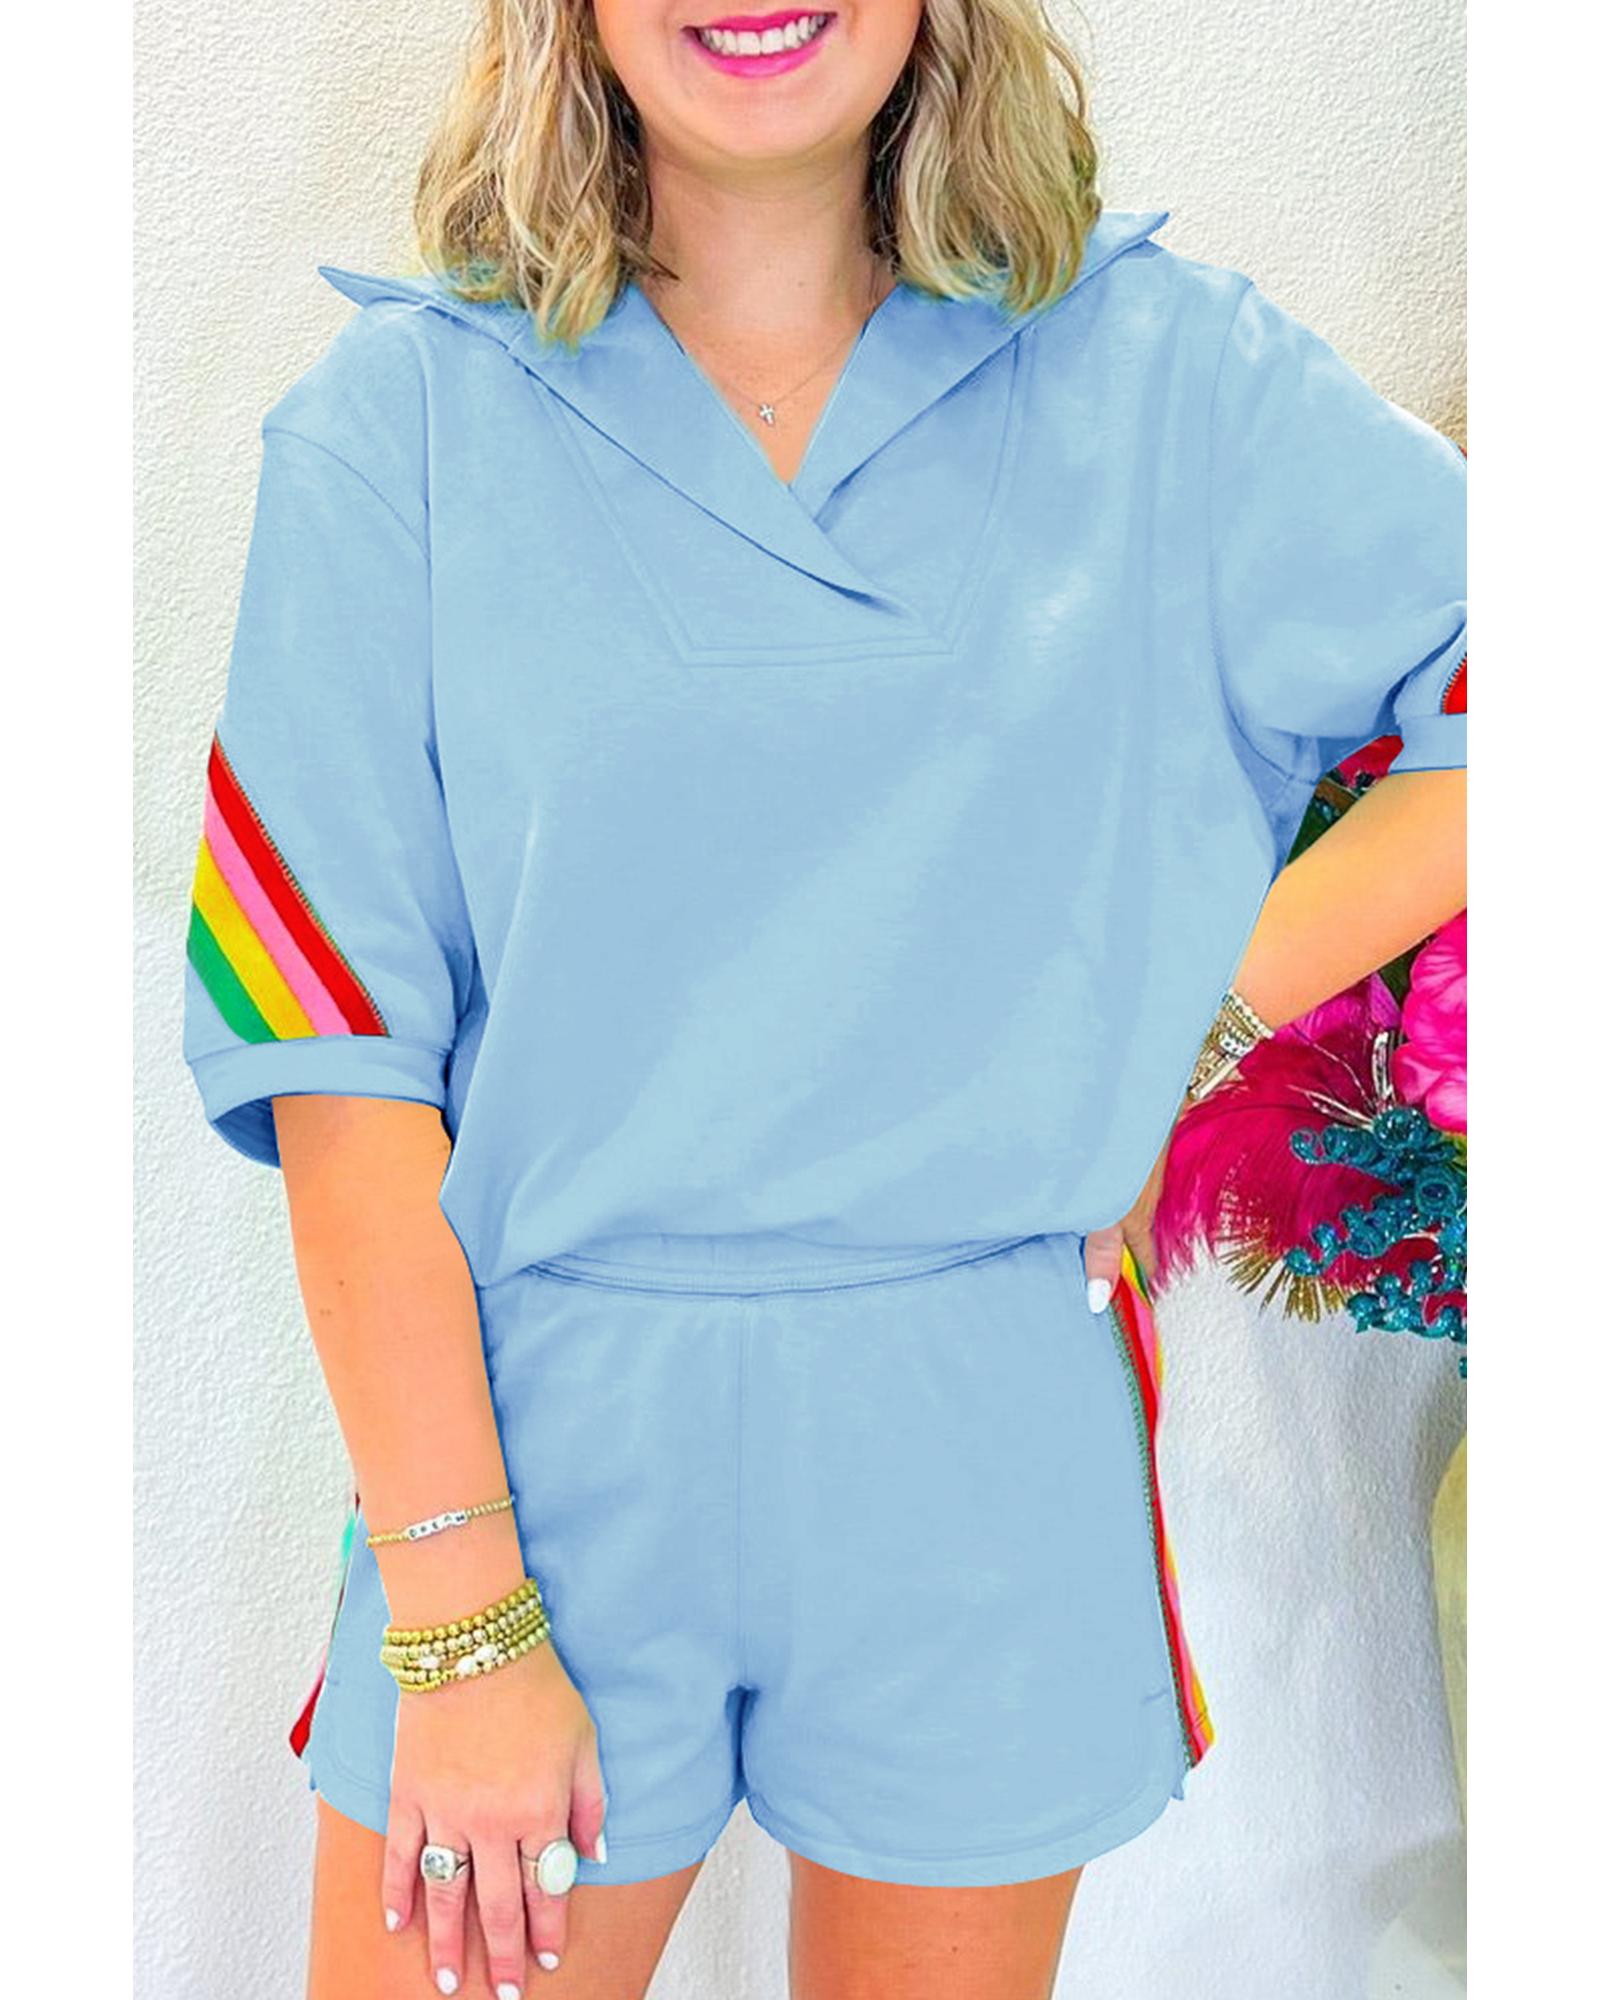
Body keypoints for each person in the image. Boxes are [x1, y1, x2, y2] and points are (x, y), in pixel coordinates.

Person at [179, 2, 1467, 1995]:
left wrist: (1193, 1028)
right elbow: (342, 1070)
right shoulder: (393, 428)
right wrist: (458, 1622)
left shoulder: (1172, 380)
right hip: (536, 1451)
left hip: (989, 1424)